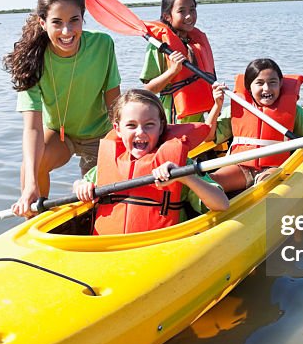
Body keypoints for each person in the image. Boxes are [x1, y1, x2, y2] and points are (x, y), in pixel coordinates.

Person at [4, 0, 121, 217]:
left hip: (101, 135)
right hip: (60, 134)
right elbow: (33, 129)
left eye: (74, 20)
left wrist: (118, 150)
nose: (67, 32)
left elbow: (115, 108)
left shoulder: (102, 45)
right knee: (31, 167)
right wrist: (29, 187)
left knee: (101, 205)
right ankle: (34, 218)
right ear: (43, 22)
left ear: (83, 18)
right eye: (57, 22)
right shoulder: (32, 60)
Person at [72, 89, 229, 235]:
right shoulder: (108, 165)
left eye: (149, 125)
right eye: (131, 125)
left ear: (161, 128)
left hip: (159, 247)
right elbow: (80, 184)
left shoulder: (178, 165)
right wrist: (80, 186)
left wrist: (184, 177)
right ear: (117, 129)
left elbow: (221, 204)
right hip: (109, 247)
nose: (140, 132)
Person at [210, 58, 303, 193]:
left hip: (274, 168)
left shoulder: (293, 111)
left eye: (272, 82)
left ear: (280, 84)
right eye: (260, 83)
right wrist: (217, 106)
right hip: (241, 167)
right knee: (209, 183)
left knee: (264, 186)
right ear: (249, 87)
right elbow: (209, 136)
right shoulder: (236, 109)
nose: (267, 88)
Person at [140, 0, 216, 123]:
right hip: (173, 119)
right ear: (167, 16)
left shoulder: (198, 43)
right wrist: (173, 71)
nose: (189, 16)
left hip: (199, 118)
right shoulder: (158, 45)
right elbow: (149, 89)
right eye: (181, 11)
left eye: (192, 9)